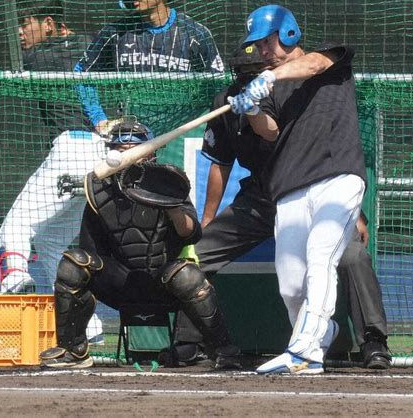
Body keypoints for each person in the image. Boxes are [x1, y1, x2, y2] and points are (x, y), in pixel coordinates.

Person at [167, 44, 390, 370]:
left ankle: (373, 342)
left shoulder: (299, 90)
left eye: (254, 72)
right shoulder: (227, 103)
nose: (247, 78)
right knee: (198, 252)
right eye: (242, 73)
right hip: (259, 200)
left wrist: (356, 212)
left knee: (353, 255)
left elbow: (330, 155)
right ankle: (190, 343)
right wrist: (208, 217)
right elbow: (220, 164)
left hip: (313, 190)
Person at [228, 5, 368, 375]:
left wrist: (269, 80)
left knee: (321, 255)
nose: (261, 52)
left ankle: (305, 352)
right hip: (290, 187)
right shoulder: (268, 84)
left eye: (265, 42)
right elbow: (270, 131)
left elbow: (312, 66)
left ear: (289, 33)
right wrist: (252, 108)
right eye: (255, 46)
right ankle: (324, 332)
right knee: (291, 287)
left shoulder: (329, 57)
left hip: (338, 176)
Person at [39, 120, 240, 369]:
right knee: (74, 263)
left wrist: (171, 204)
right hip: (118, 283)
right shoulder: (98, 190)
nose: (127, 157)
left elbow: (190, 234)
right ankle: (73, 349)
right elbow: (90, 250)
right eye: (120, 151)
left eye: (134, 150)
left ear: (150, 153)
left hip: (162, 281)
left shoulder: (167, 181)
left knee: (186, 274)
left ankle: (222, 350)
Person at [0, 0, 105, 342]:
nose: (19, 32)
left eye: (25, 24)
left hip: (72, 149)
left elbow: (37, 57)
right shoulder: (93, 46)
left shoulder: (40, 56)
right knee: (51, 239)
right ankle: (88, 327)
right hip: (100, 157)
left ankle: (13, 288)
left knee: (14, 229)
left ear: (48, 24)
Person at [73, 0, 224, 135]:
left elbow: (218, 86)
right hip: (130, 136)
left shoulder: (195, 34)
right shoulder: (115, 32)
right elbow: (81, 73)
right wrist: (99, 119)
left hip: (182, 137)